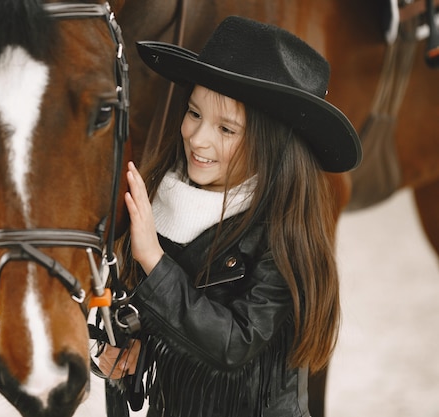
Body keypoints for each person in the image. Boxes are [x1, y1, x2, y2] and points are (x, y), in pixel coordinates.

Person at [99, 15, 361, 417]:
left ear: (268, 144)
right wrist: (132, 348)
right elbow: (170, 331)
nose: (198, 137)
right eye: (194, 113)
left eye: (226, 129)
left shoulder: (282, 234)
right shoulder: (161, 204)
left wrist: (153, 259)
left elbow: (234, 345)